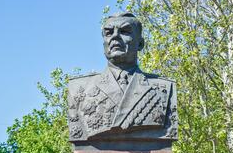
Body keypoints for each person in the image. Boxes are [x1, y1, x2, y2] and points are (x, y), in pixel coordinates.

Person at [68, 12, 177, 144]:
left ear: (140, 44)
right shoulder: (79, 89)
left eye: (124, 31)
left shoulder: (163, 88)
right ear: (104, 44)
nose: (115, 36)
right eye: (108, 33)